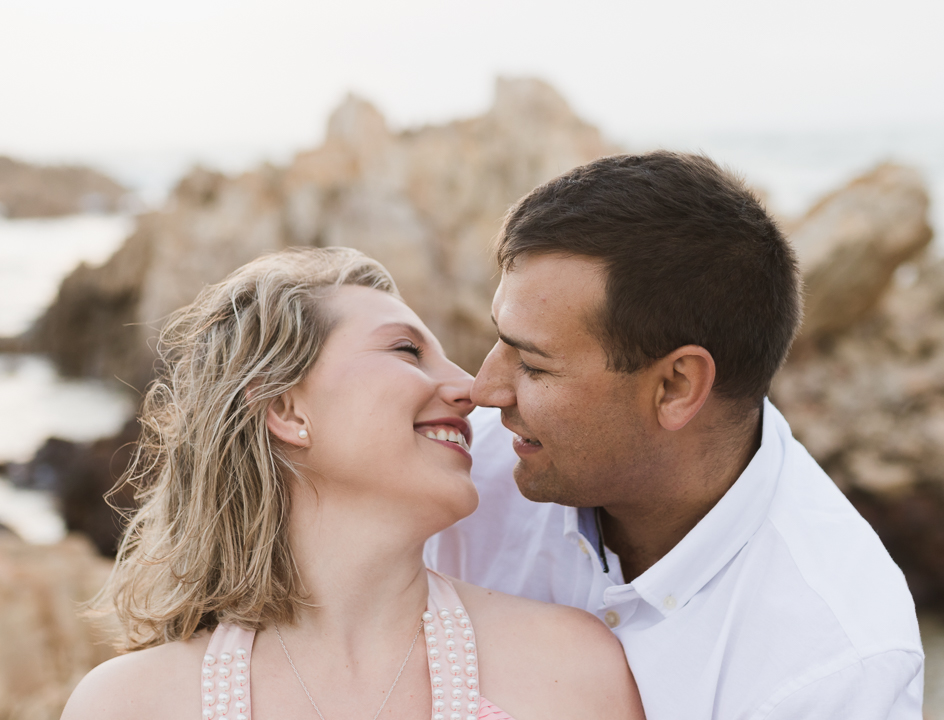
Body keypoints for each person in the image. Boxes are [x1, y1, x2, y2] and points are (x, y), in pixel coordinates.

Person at [425, 151, 925, 719]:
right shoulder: (461, 466)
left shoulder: (831, 663)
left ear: (677, 387)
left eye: (534, 366)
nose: (485, 390)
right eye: (500, 338)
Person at [61, 248, 645, 720]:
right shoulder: (127, 705)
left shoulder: (574, 669)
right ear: (286, 409)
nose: (470, 387)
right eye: (406, 350)